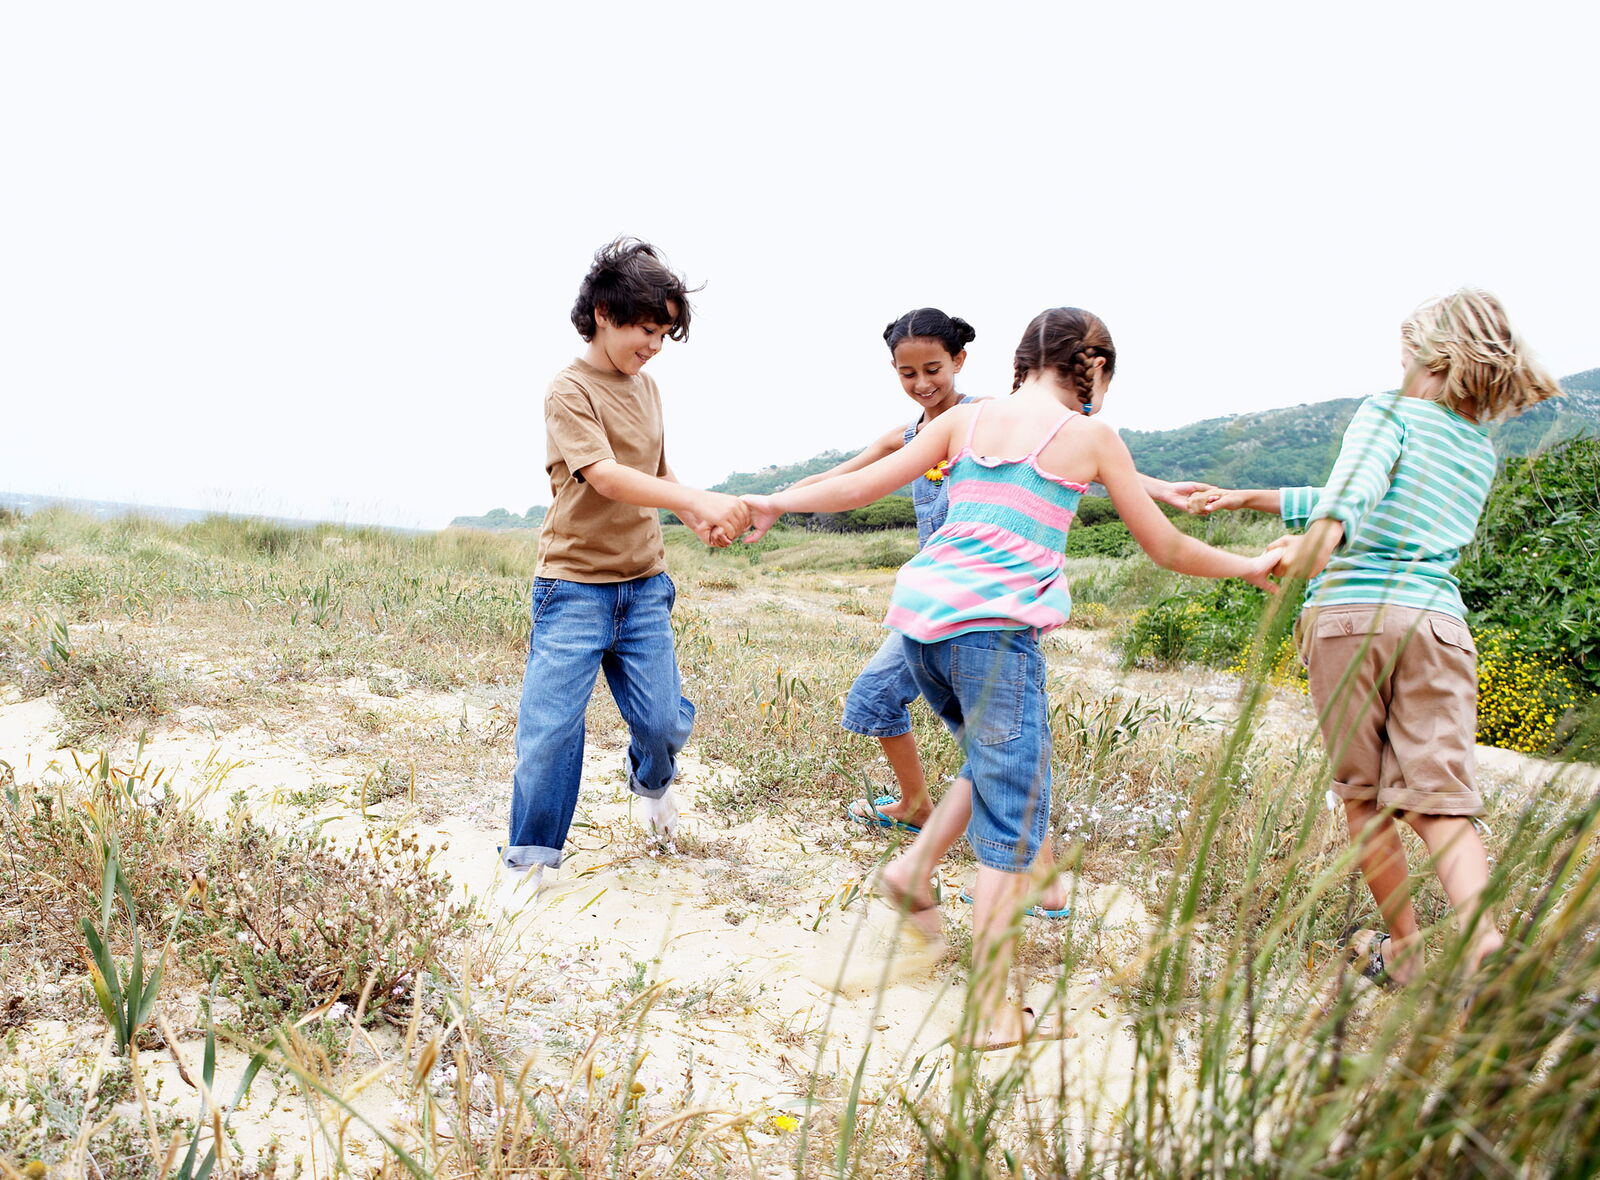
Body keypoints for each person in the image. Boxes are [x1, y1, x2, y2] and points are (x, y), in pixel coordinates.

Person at [740, 307, 1276, 1049]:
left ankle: (914, 870)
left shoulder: (968, 420)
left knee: (992, 767)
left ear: (1024, 361)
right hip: (993, 637)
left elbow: (862, 487)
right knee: (1013, 821)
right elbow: (1168, 548)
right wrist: (1250, 565)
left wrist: (773, 500)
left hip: (923, 628)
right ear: (1095, 369)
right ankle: (994, 1011)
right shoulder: (1090, 436)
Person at [1199, 288, 1561, 985]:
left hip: (1353, 616)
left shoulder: (1386, 411)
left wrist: (1312, 547)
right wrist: (1245, 497)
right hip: (1437, 625)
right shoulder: (1475, 451)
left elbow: (1353, 494)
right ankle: (1485, 948)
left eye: (1404, 351)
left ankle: (1404, 947)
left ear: (1430, 355)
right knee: (1441, 801)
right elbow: (1375, 493)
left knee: (1363, 800)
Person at [801, 309, 1214, 877]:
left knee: (987, 740)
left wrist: (1163, 489)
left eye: (933, 369)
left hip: (985, 604)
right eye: (907, 374)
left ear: (960, 361)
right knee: (974, 737)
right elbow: (843, 476)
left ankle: (1023, 869)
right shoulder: (911, 435)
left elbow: (1081, 460)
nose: (922, 384)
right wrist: (766, 502)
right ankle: (941, 820)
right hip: (937, 600)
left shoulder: (986, 419)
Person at [497, 237, 751, 907]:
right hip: (574, 585)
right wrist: (695, 501)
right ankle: (530, 864)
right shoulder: (568, 389)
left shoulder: (650, 387)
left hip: (642, 586)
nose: (656, 344)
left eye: (665, 332)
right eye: (647, 328)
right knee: (550, 730)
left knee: (664, 723)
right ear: (605, 312)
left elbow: (655, 475)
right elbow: (606, 477)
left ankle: (652, 786)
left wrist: (695, 515)